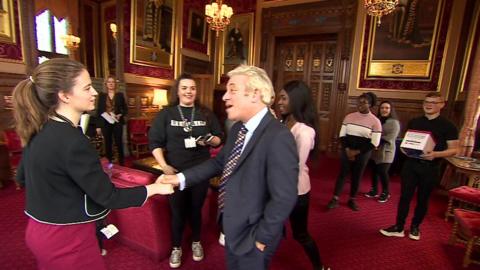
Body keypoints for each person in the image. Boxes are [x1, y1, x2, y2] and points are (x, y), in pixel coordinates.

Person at [12, 58, 173, 270]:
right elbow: (109, 197)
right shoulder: (72, 140)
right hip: (68, 238)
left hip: (38, 230)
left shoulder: (38, 129)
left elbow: (22, 178)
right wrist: (155, 188)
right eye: (87, 88)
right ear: (64, 95)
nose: (95, 93)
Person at [161, 65, 299, 270]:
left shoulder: (278, 136)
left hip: (254, 234)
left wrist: (262, 238)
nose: (225, 97)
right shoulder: (237, 130)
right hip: (233, 225)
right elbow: (218, 163)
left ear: (254, 94)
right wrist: (180, 178)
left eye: (232, 90)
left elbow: (284, 197)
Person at [148, 73, 223, 269]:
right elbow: (155, 142)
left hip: (200, 170)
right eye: (184, 88)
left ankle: (196, 241)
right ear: (178, 91)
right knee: (177, 211)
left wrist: (209, 139)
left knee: (196, 209)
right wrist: (164, 166)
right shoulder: (167, 114)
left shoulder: (205, 113)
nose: (189, 91)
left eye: (192, 88)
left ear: (196, 91)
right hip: (175, 171)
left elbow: (219, 138)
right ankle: (176, 247)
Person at [380, 92, 458, 241]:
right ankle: (399, 227)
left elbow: (455, 150)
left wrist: (435, 154)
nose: (429, 105)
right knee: (404, 197)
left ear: (442, 104)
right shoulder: (414, 121)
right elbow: (407, 141)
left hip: (431, 167)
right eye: (426, 102)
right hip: (410, 165)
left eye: (434, 102)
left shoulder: (449, 126)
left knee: (423, 199)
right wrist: (403, 148)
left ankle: (415, 227)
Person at [276, 80, 324, 270]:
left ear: (296, 100)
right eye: (279, 97)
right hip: (277, 186)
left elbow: (293, 166)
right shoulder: (283, 121)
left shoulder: (304, 132)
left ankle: (319, 267)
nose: (278, 102)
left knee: (300, 235)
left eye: (283, 98)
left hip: (295, 191)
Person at [327, 92, 382, 211]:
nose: (360, 104)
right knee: (342, 174)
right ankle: (335, 198)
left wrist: (356, 152)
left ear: (371, 104)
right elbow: (342, 135)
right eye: (359, 101)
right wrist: (347, 150)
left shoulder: (375, 121)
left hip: (363, 153)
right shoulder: (349, 117)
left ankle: (352, 199)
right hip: (347, 150)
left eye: (364, 102)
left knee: (357, 176)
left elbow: (374, 143)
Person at [365, 101, 401, 203]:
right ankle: (374, 190)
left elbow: (391, 137)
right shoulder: (377, 120)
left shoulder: (394, 122)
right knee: (374, 171)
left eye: (387, 108)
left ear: (390, 110)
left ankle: (386, 192)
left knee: (383, 171)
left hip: (386, 150)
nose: (384, 110)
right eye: (382, 108)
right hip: (375, 150)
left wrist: (375, 140)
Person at [96, 75, 128, 166]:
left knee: (119, 142)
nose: (111, 84)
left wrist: (120, 114)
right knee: (108, 142)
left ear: (115, 84)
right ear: (106, 84)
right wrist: (98, 126)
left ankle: (122, 163)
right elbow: (99, 111)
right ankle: (109, 162)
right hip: (105, 122)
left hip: (117, 122)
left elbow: (125, 109)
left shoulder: (120, 95)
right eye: (109, 82)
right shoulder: (102, 95)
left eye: (112, 82)